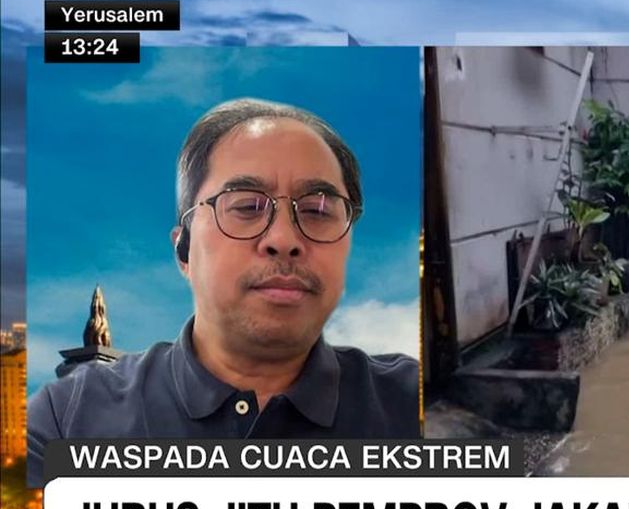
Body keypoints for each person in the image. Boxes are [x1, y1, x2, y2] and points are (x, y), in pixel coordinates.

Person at [26, 98, 419, 486]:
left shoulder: (416, 407)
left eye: (317, 210)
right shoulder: (67, 419)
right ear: (184, 250)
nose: (283, 239)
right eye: (247, 206)